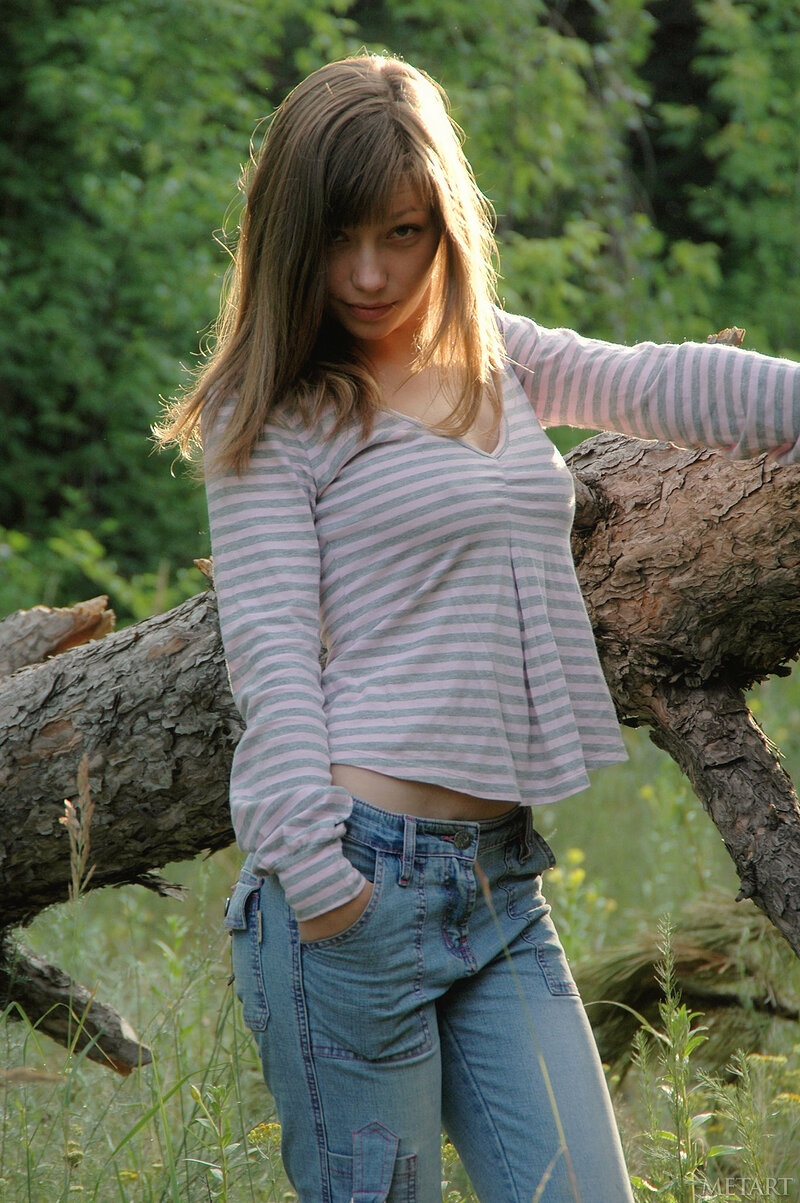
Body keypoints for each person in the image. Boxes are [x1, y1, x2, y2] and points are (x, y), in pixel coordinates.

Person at [155, 53, 800, 1203]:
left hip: (498, 882)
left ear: (442, 225)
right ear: (290, 237)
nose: (368, 273)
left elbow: (659, 383)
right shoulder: (276, 415)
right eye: (338, 239)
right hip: (353, 890)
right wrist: (323, 885)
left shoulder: (492, 356)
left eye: (400, 234)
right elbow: (270, 655)